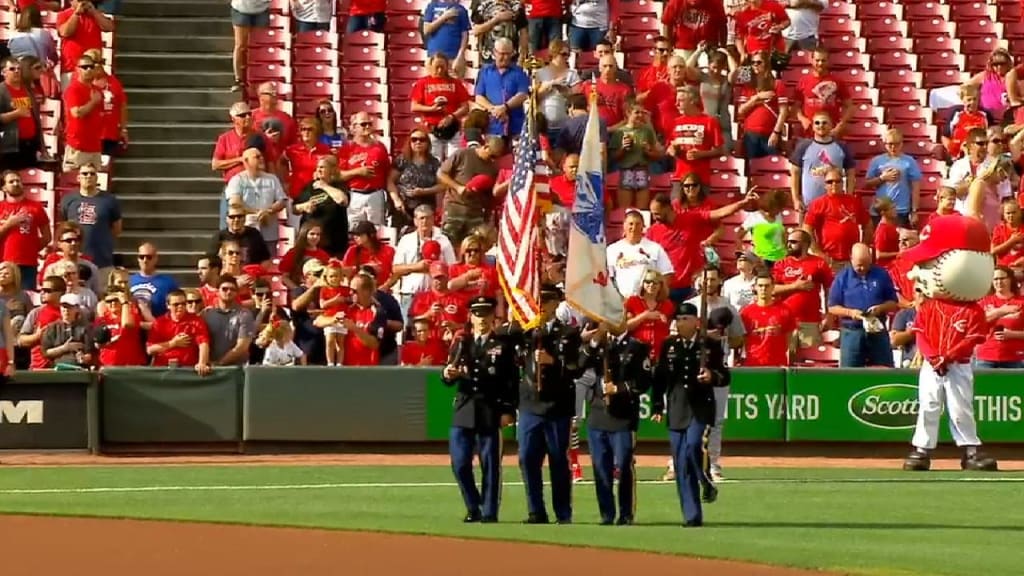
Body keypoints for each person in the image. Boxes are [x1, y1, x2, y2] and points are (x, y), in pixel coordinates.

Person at [442, 296, 518, 523]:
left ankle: (489, 511)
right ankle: (473, 504)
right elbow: (449, 373)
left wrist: (508, 410)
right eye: (477, 314)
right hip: (464, 407)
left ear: (493, 317)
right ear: (470, 317)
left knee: (491, 465)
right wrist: (447, 374)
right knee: (460, 462)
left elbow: (511, 381)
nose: (481, 319)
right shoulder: (462, 342)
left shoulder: (502, 345)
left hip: (490, 409)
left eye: (486, 314)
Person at [514, 285, 583, 525]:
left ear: (556, 303)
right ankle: (536, 510)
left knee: (557, 460)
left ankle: (563, 512)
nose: (541, 305)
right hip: (530, 404)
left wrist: (552, 361)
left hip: (557, 406)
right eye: (537, 300)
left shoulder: (568, 333)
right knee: (527, 457)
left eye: (546, 300)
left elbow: (576, 368)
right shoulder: (525, 332)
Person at [652, 301, 725, 527]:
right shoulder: (670, 345)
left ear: (696, 321)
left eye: (685, 319)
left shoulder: (709, 345)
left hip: (700, 408)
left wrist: (711, 376)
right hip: (676, 408)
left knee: (694, 446)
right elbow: (660, 377)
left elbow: (725, 375)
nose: (680, 323)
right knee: (681, 463)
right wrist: (657, 405)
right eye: (678, 319)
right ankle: (692, 515)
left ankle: (705, 480)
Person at [579, 321, 652, 526]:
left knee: (624, 465)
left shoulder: (636, 347)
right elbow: (577, 366)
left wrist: (620, 388)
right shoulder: (598, 346)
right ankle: (606, 513)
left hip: (623, 417)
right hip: (597, 414)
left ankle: (626, 513)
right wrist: (594, 341)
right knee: (601, 468)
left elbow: (645, 381)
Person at [827, 243, 899, 368]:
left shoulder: (881, 275)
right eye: (859, 265)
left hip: (877, 330)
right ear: (851, 259)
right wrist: (851, 313)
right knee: (850, 373)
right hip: (852, 332)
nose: (862, 268)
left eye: (866, 264)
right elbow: (832, 307)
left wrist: (880, 308)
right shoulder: (842, 278)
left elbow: (893, 303)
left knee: (883, 371)